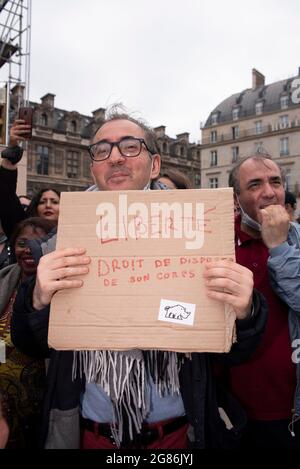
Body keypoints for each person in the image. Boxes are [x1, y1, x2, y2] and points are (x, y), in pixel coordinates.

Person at [12, 110, 267, 449]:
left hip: (176, 435)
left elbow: (232, 351)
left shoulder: (197, 234)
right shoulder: (59, 244)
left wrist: (246, 312)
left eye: (130, 147)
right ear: (93, 168)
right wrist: (37, 301)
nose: (115, 156)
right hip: (90, 433)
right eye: (102, 149)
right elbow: (29, 343)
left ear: (155, 164)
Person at [228, 152, 300, 449]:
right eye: (255, 185)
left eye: (275, 182)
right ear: (236, 198)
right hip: (233, 412)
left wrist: (280, 246)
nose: (269, 193)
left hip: (292, 408)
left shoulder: (297, 239)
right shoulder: (215, 241)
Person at [0, 217, 55, 448]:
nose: (29, 250)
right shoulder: (3, 279)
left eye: (38, 243)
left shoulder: (61, 290)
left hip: (40, 403)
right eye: (23, 243)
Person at [0, 119, 61, 240]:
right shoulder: (21, 228)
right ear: (35, 207)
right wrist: (12, 151)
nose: (48, 205)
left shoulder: (75, 233)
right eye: (42, 202)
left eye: (54, 202)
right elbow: (6, 194)